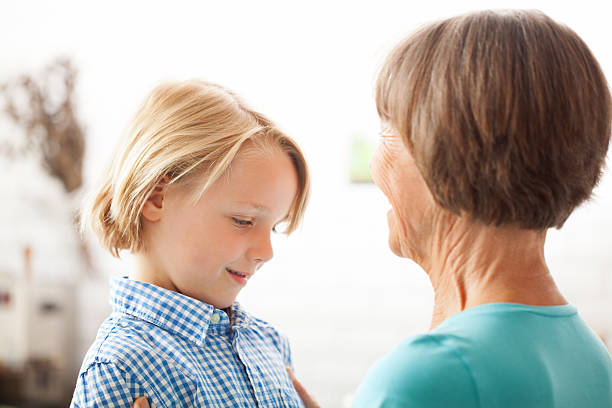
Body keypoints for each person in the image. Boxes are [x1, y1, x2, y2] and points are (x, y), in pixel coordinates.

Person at [349, 9, 612, 408]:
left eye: (388, 130)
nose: (373, 163)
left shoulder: (428, 376)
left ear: (445, 153)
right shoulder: (592, 359)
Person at [70, 80, 310, 407]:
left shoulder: (268, 343)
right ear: (157, 196)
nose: (266, 252)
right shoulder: (121, 368)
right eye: (243, 221)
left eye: (274, 228)